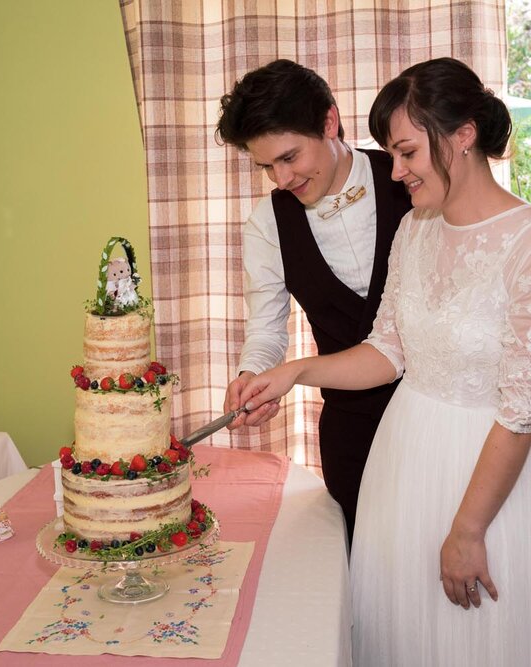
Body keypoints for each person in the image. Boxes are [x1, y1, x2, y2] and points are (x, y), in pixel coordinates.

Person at [237, 58, 531, 665]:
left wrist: (469, 529)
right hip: (402, 466)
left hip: (487, 476)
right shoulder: (415, 233)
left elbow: (523, 410)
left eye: (407, 154)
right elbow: (387, 351)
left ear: (463, 135)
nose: (396, 173)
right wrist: (293, 372)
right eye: (392, 156)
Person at [215, 59, 412, 542]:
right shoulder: (267, 224)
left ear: (329, 121)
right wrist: (251, 378)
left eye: (289, 157)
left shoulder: (411, 178)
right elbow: (266, 329)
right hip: (353, 432)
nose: (281, 179)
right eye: (266, 167)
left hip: (437, 421)